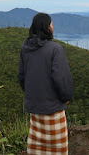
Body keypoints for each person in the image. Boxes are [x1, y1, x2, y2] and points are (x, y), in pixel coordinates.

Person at [18, 13, 74, 154]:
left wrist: (32, 95)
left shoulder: (25, 48)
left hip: (35, 112)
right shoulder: (55, 49)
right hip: (53, 111)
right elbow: (62, 79)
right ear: (47, 27)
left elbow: (21, 77)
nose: (52, 26)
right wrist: (66, 98)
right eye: (51, 24)